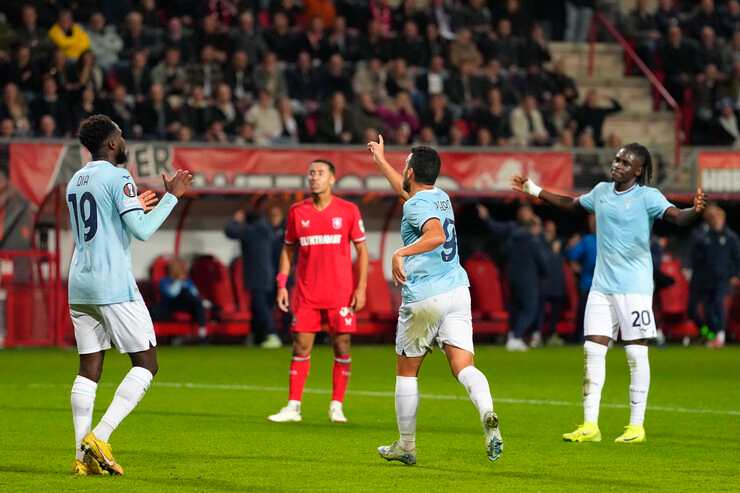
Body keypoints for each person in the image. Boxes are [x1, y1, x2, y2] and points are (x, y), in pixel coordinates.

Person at [512, 143, 706, 444]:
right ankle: (590, 425)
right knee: (592, 350)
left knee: (634, 353)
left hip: (635, 289)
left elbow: (677, 217)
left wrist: (695, 210)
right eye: (616, 159)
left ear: (638, 170)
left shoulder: (647, 196)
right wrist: (534, 189)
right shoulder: (601, 191)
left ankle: (636, 426)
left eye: (625, 162)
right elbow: (570, 204)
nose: (617, 165)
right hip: (601, 288)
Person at [67, 114, 192, 476]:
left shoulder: (75, 180)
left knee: (89, 368)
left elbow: (105, 224)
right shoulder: (119, 176)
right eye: (120, 136)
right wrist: (172, 198)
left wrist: (135, 206)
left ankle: (80, 456)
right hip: (112, 284)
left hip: (79, 284)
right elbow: (141, 232)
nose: (124, 142)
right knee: (147, 363)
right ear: (110, 143)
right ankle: (100, 437)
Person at [367, 136, 503, 465]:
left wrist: (401, 251)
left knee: (407, 371)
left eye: (403, 166)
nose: (402, 170)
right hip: (457, 291)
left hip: (426, 295)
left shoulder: (417, 206)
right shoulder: (440, 197)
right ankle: (488, 414)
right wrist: (381, 162)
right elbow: (408, 194)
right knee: (463, 366)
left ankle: (407, 445)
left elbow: (435, 235)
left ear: (411, 171)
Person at [267, 159, 368, 424]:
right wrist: (281, 284)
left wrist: (362, 287)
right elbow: (288, 249)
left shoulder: (348, 210)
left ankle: (337, 405)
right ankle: (293, 406)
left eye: (320, 173)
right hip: (306, 293)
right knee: (300, 346)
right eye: (311, 173)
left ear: (332, 179)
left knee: (342, 345)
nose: (314, 177)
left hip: (341, 294)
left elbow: (363, 250)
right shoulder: (297, 212)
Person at [477, 204, 546, 351]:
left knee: (516, 308)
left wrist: (487, 219)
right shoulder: (531, 236)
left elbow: (496, 230)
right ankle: (516, 336)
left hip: (512, 276)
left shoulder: (513, 234)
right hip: (527, 277)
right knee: (529, 308)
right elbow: (541, 258)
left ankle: (513, 336)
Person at [225, 197, 283, 349]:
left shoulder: (253, 230)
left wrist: (236, 219)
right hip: (267, 274)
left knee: (261, 306)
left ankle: (271, 334)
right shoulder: (265, 229)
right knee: (259, 306)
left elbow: (230, 231)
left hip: (258, 275)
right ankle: (257, 336)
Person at [688, 205, 740, 348]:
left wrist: (735, 275)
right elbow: (694, 257)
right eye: (712, 217)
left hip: (722, 280)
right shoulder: (701, 236)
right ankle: (708, 334)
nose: (715, 220)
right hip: (703, 280)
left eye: (717, 217)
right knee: (693, 310)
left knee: (717, 304)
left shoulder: (731, 237)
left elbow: (737, 258)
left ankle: (720, 335)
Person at [151, 258, 208, 340]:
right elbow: (171, 294)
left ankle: (202, 331)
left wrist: (184, 283)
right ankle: (206, 304)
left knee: (191, 297)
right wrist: (178, 281)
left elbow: (195, 294)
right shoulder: (165, 281)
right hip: (170, 304)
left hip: (186, 304)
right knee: (186, 293)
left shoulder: (188, 281)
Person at [565, 214, 597, 342]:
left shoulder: (610, 239)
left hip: (606, 284)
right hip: (588, 284)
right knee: (586, 312)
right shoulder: (587, 240)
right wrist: (576, 267)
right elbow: (572, 255)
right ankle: (581, 338)